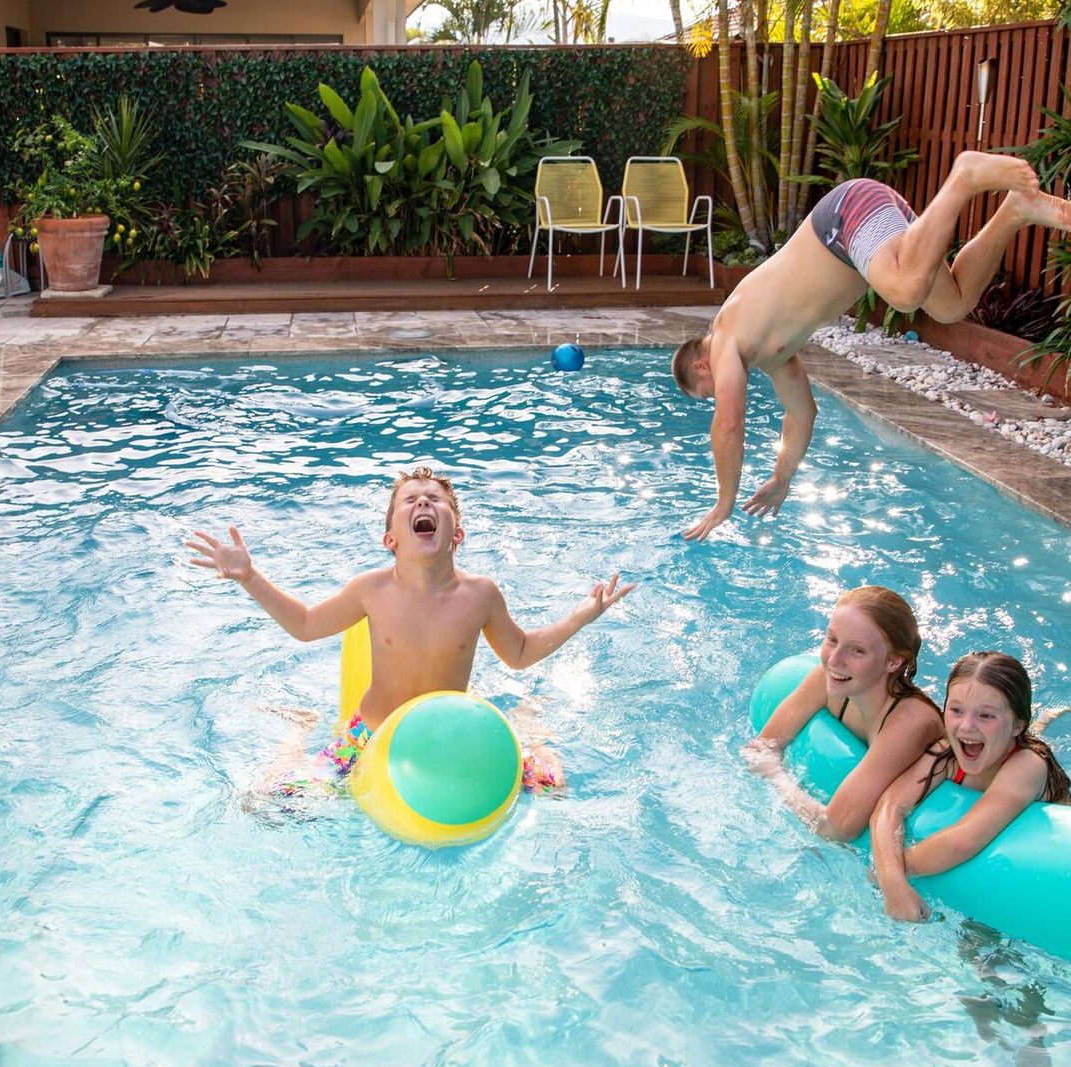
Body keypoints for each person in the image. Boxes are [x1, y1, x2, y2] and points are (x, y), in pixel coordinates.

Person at [671, 151, 1071, 540]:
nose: (718, 396)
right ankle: (1015, 211)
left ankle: (964, 175)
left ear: (701, 367)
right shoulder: (772, 353)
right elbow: (801, 413)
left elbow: (728, 424)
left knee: (905, 290)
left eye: (707, 394)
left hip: (844, 220)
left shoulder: (724, 338)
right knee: (953, 303)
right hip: (860, 234)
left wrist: (724, 502)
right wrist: (782, 476)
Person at [186, 465, 634, 795]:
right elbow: (304, 625)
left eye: (436, 499)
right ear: (390, 539)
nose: (424, 502)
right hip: (371, 736)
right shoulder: (371, 590)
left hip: (451, 733)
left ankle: (528, 727)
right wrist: (249, 576)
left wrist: (581, 616)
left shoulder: (480, 595)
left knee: (553, 790)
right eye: (411, 500)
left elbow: (517, 653)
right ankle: (298, 732)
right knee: (271, 805)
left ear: (457, 534)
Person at [870, 651, 1070, 922]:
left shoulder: (1027, 766)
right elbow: (890, 805)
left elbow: (964, 840)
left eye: (986, 716)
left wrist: (891, 874)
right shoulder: (947, 753)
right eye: (956, 711)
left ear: (1017, 726)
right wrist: (891, 879)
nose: (966, 726)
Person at [743, 585, 943, 841]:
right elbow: (761, 747)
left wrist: (775, 775)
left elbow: (836, 829)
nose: (834, 660)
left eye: (857, 650)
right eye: (832, 640)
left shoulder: (910, 722)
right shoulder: (828, 678)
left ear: (893, 661)